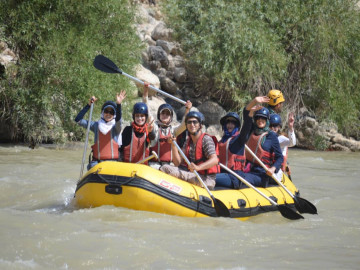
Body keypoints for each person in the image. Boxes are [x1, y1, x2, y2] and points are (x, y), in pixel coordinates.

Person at [215, 96, 271, 189]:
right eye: (227, 122)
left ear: (236, 126)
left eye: (233, 123)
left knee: (208, 177)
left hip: (234, 177)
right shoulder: (221, 141)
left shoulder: (239, 140)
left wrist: (254, 102)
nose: (229, 125)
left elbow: (247, 124)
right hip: (222, 173)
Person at [160, 111, 219, 190]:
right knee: (164, 168)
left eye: (195, 122)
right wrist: (173, 145)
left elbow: (215, 160)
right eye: (189, 122)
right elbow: (177, 163)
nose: (192, 124)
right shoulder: (188, 141)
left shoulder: (206, 140)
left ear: (200, 125)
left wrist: (198, 167)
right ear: (186, 125)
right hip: (193, 174)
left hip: (206, 179)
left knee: (174, 173)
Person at [142, 82, 193, 169]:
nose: (165, 115)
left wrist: (187, 109)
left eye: (167, 114)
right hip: (154, 165)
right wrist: (146, 91)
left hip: (169, 165)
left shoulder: (173, 130)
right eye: (163, 113)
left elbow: (184, 124)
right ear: (159, 115)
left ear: (171, 117)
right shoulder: (154, 126)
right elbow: (147, 110)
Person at [74, 91, 126, 169]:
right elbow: (78, 120)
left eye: (111, 112)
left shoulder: (116, 127)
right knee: (92, 167)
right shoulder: (95, 125)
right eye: (106, 111)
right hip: (97, 163)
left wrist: (118, 104)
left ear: (114, 115)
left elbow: (118, 120)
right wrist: (88, 105)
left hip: (113, 162)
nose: (108, 114)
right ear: (102, 113)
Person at [269, 113, 296, 179]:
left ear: (279, 127)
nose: (273, 128)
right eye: (271, 125)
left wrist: (290, 127)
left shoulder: (280, 139)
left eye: (275, 126)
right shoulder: (264, 137)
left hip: (276, 170)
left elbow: (292, 143)